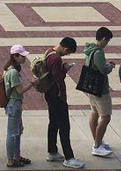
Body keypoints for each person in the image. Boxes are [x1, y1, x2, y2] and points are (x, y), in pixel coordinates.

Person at [44, 36, 84, 168]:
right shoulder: (56, 58)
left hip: (49, 94)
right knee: (64, 126)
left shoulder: (49, 51)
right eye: (68, 52)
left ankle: (52, 151)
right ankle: (69, 157)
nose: (67, 54)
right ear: (66, 48)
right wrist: (65, 69)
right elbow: (58, 77)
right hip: (57, 97)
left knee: (53, 123)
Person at [4, 45, 36, 168]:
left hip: (14, 104)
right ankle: (11, 160)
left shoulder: (9, 69)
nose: (24, 58)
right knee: (12, 133)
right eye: (22, 56)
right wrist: (32, 84)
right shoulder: (12, 72)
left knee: (17, 131)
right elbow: (20, 90)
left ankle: (16, 156)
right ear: (15, 56)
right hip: (14, 104)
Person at [85, 27, 116, 157]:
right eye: (107, 41)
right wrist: (110, 66)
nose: (107, 44)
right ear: (103, 39)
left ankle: (97, 141)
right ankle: (97, 145)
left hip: (90, 87)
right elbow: (103, 70)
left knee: (95, 112)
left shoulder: (90, 50)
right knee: (106, 117)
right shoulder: (98, 52)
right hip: (100, 89)